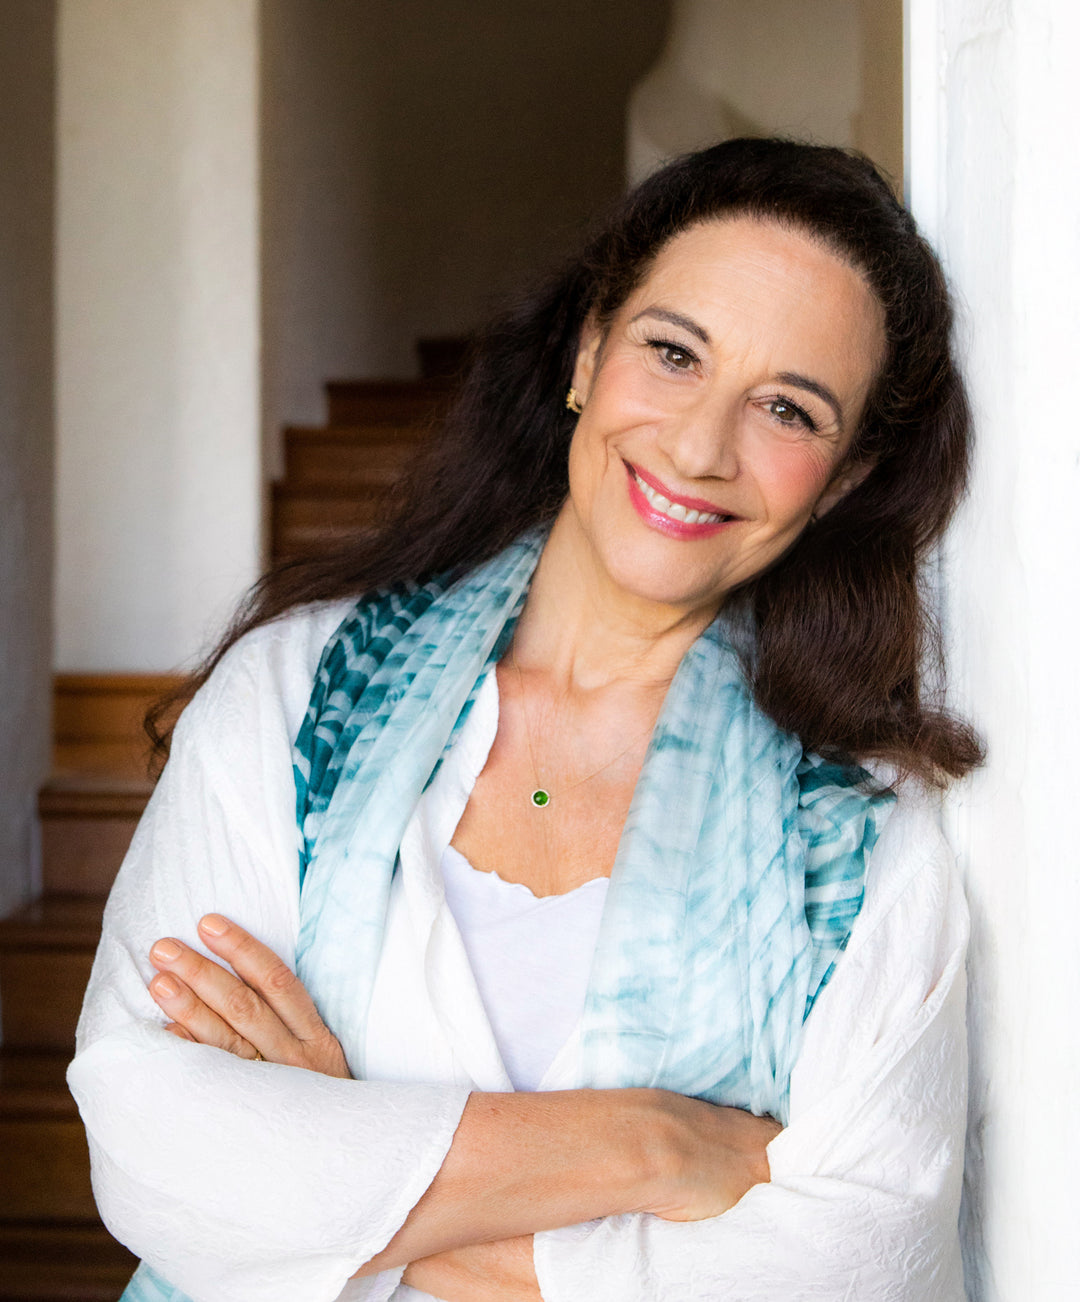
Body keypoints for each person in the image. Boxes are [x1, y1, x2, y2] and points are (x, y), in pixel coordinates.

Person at [68, 138, 982, 1302]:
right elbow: (155, 1142)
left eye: (788, 409)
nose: (701, 449)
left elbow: (863, 1267)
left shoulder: (860, 838)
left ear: (846, 476)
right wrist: (655, 1145)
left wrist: (341, 1172)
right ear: (589, 353)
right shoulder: (297, 696)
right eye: (672, 352)